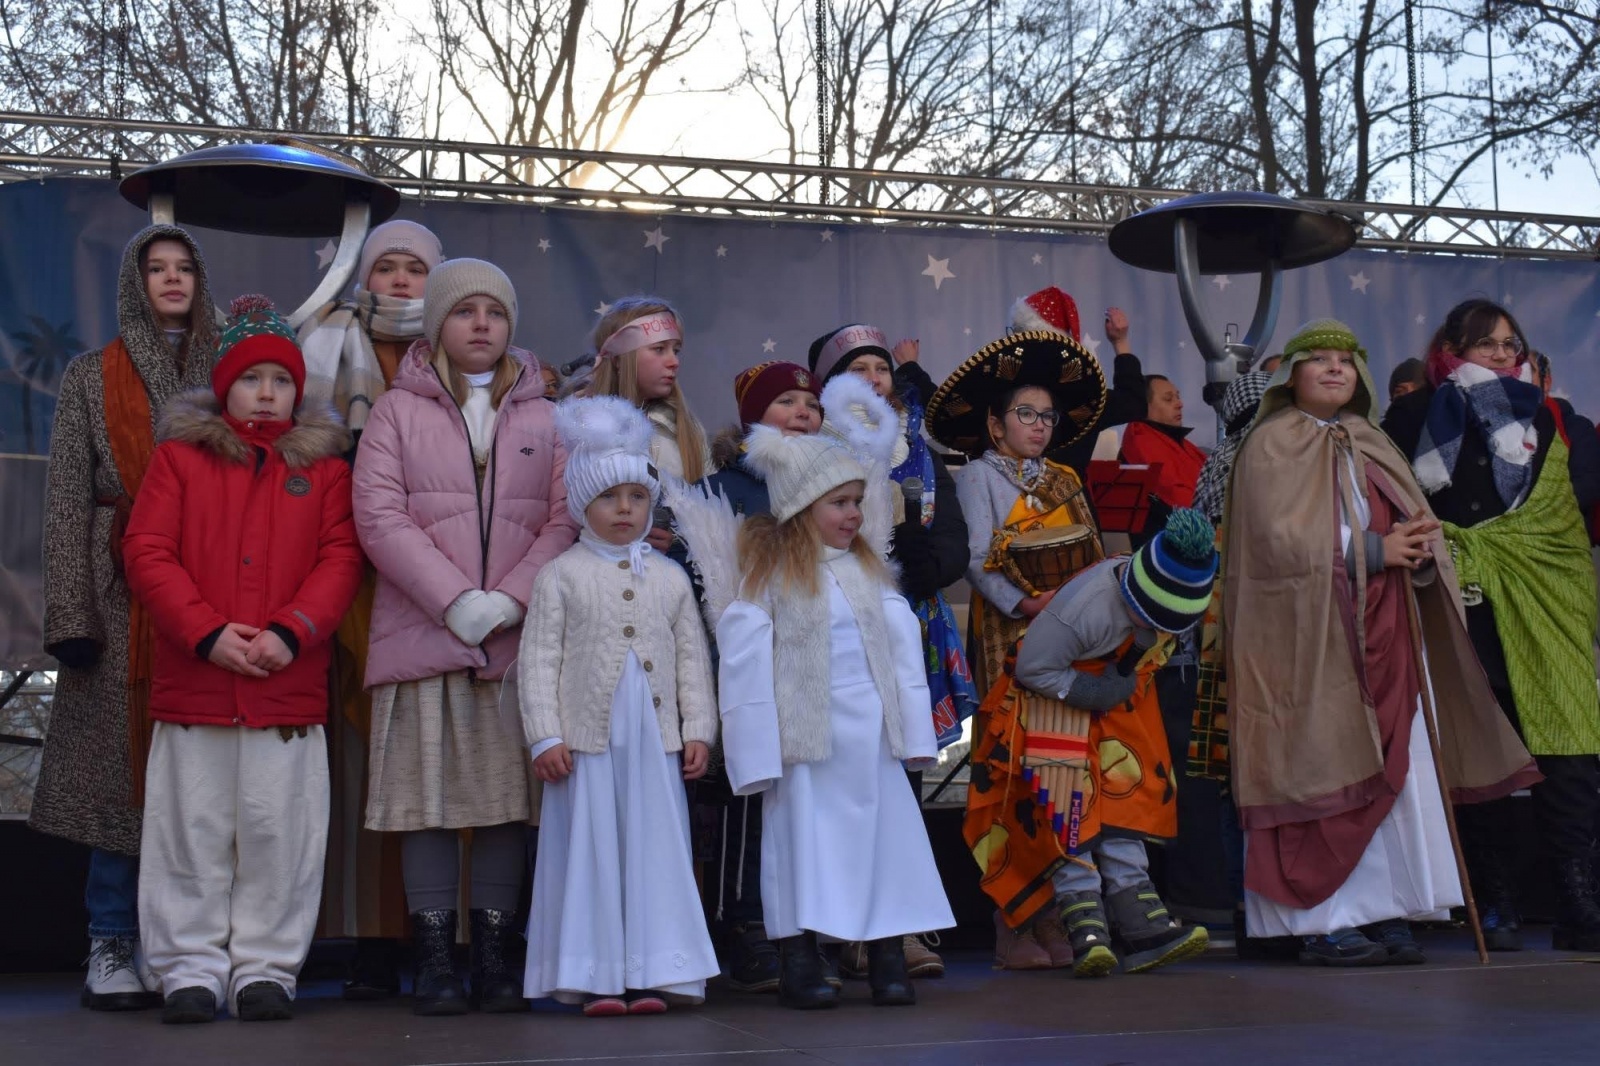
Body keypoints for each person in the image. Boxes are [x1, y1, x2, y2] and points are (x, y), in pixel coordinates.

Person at [1230, 319, 1539, 966]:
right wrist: (1374, 549)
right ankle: (1321, 919)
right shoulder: (1269, 445)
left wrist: (1420, 550)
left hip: (1385, 627)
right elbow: (1273, 545)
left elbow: (1412, 524)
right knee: (1319, 761)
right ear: (1291, 374)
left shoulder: (1371, 440)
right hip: (1309, 640)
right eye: (1319, 359)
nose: (1335, 368)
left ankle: (1384, 908)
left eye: (1346, 360)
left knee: (1395, 766)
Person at [123, 296, 362, 1023]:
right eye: (252, 378)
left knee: (277, 836)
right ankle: (188, 969)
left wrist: (291, 632)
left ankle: (266, 970)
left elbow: (340, 561)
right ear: (224, 385)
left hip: (284, 687)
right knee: (187, 834)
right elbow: (148, 551)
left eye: (281, 380)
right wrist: (206, 633)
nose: (266, 393)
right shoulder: (179, 459)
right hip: (196, 687)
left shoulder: (325, 471)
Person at [353, 259, 578, 1015]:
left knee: (505, 801)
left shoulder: (547, 417)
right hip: (423, 637)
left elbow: (565, 519)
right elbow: (378, 516)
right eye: (464, 311)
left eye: (496, 311)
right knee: (427, 802)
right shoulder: (395, 411)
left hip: (513, 645)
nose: (482, 324)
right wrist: (453, 601)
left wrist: (510, 601)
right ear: (437, 324)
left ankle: (492, 959)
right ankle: (434, 964)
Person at [33, 223, 220, 1011]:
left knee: (199, 783)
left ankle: (182, 947)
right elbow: (68, 498)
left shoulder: (231, 369)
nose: (172, 279)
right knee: (121, 776)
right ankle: (110, 942)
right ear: (132, 283)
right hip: (118, 600)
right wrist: (71, 613)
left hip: (210, 595)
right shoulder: (90, 374)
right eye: (156, 268)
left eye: (184, 268)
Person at [1383, 300, 1600, 952]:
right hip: (1461, 599)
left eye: (1511, 343)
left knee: (1570, 752)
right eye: (1487, 344)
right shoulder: (1415, 415)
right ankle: (1494, 901)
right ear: (1452, 349)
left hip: (1545, 599)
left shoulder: (1556, 417)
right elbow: (1390, 500)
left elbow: (1576, 504)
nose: (1504, 354)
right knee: (1481, 748)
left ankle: (1579, 904)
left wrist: (1516, 544)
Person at [713, 426, 954, 1009]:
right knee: (804, 846)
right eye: (839, 503)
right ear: (802, 507)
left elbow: (902, 654)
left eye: (856, 502)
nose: (853, 515)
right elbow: (746, 666)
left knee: (883, 844)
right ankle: (799, 960)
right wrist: (754, 753)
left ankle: (887, 953)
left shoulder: (870, 573)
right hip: (807, 743)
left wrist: (914, 734)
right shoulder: (771, 579)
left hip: (870, 740)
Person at [518, 396, 720, 1015]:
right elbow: (538, 660)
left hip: (653, 741)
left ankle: (659, 970)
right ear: (583, 504)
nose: (626, 508)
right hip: (588, 744)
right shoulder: (560, 575)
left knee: (656, 844)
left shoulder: (670, 577)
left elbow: (692, 659)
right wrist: (545, 735)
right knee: (592, 847)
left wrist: (699, 729)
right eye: (609, 497)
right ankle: (595, 974)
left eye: (637, 496)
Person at [296, 218, 445, 999]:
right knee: (357, 757)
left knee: (435, 757)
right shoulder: (321, 346)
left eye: (415, 268)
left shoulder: (462, 357)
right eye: (386, 266)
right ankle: (367, 938)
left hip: (442, 585)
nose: (399, 280)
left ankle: (445, 937)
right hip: (349, 582)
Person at [927, 333, 1108, 970]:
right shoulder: (979, 475)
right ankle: (1012, 924)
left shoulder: (1066, 479)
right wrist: (1027, 605)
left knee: (1067, 773)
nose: (1038, 425)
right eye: (1025, 414)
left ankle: (1058, 916)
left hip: (1071, 640)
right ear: (995, 424)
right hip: (1012, 636)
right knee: (1014, 777)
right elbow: (976, 558)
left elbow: (1091, 553)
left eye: (1047, 417)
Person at [1009, 509, 1220, 977]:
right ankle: (1086, 930)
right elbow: (1032, 669)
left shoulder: (1166, 600)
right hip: (1055, 699)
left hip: (1118, 698)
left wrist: (1116, 687)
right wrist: (1094, 692)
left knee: (1128, 795)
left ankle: (1142, 925)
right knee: (1069, 808)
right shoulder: (1081, 612)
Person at [700, 360, 824, 995]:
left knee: (805, 803)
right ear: (754, 417)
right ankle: (745, 927)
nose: (802, 412)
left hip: (813, 666)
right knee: (749, 799)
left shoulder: (828, 487)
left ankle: (803, 932)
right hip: (748, 662)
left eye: (811, 403)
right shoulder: (725, 489)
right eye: (786, 402)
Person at [589, 296, 713, 554]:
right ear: (619, 359)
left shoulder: (687, 430)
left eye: (676, 350)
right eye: (659, 349)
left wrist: (677, 540)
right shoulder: (581, 425)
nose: (674, 361)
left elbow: (710, 514)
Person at [1006, 288, 1147, 478]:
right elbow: (1133, 404)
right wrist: (1120, 343)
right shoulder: (1084, 396)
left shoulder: (1082, 397)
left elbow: (1133, 405)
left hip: (1046, 494)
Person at [1119, 374, 1207, 530]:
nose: (1179, 404)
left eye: (1177, 397)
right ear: (1143, 406)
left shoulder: (1177, 441)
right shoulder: (1141, 440)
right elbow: (1177, 497)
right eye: (1168, 399)